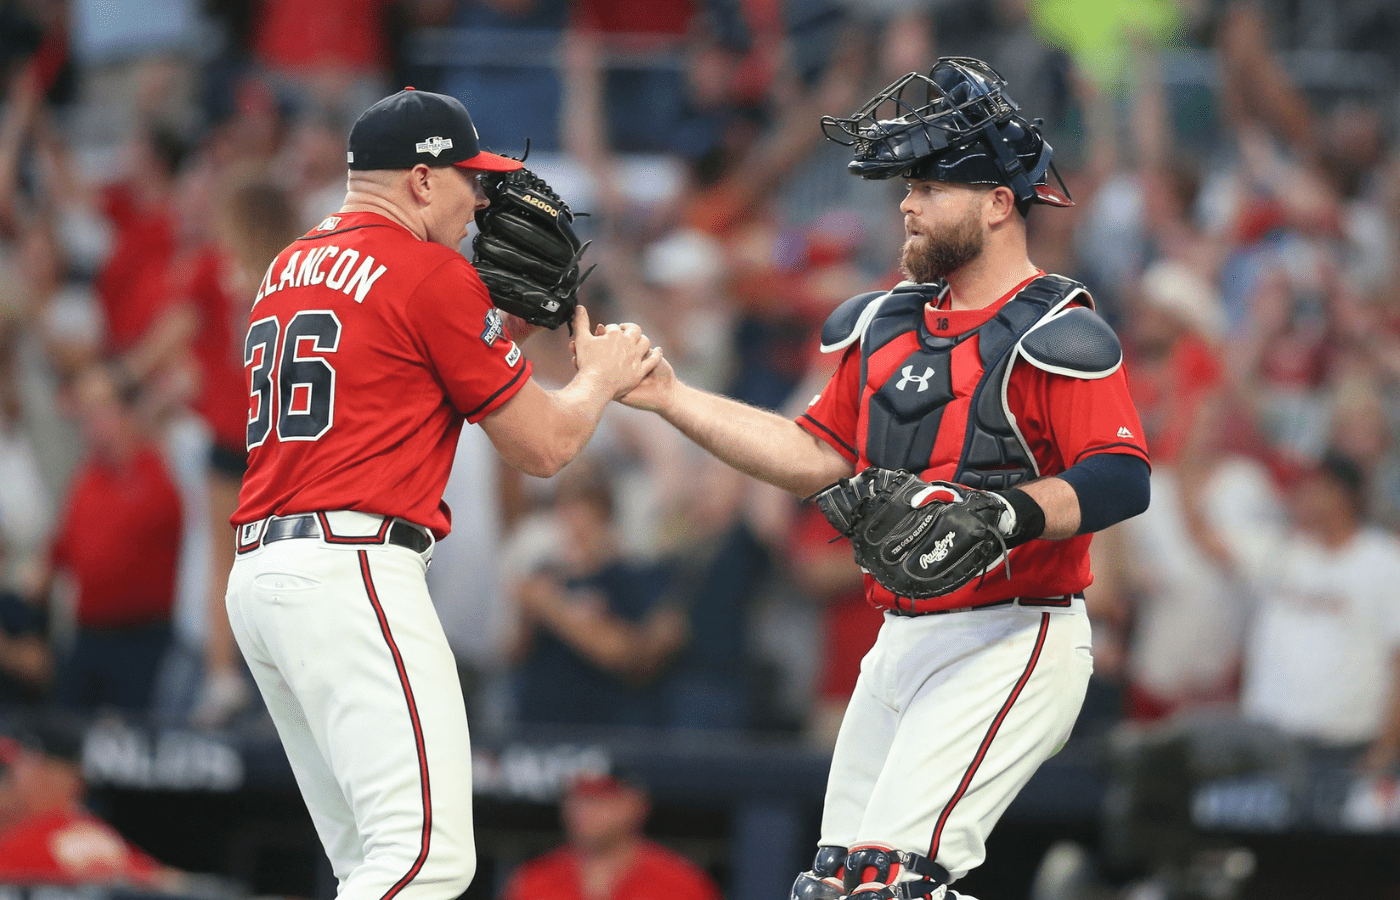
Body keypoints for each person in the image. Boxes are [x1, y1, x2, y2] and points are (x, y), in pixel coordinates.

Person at [620, 58, 1150, 899]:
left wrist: (1000, 515)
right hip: (899, 638)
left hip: (1014, 633)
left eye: (932, 186)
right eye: (907, 185)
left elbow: (1121, 478)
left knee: (892, 884)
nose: (906, 203)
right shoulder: (886, 320)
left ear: (998, 203)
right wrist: (669, 397)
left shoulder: (1056, 326)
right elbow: (815, 455)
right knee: (834, 885)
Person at [223, 88, 659, 900]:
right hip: (351, 569)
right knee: (426, 860)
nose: (482, 200)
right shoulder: (427, 272)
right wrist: (597, 379)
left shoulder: (288, 265)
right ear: (421, 180)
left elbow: (400, 371)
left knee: (372, 862)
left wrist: (496, 328)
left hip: (264, 580)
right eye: (470, 179)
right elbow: (545, 446)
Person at [499, 768, 722, 900]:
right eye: (578, 799)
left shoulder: (680, 882)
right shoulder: (533, 880)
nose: (585, 810)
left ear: (636, 805)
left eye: (600, 800)